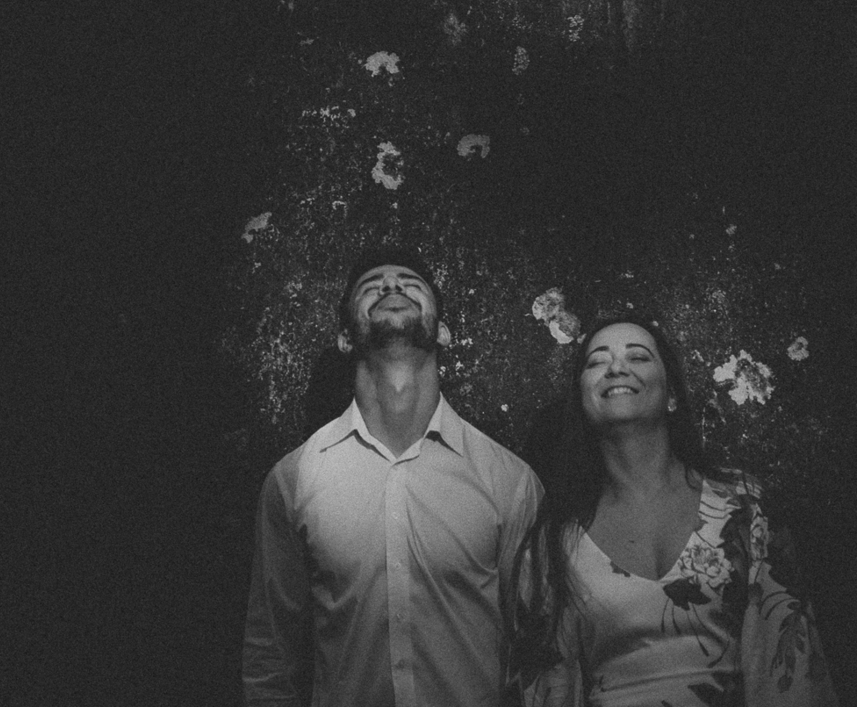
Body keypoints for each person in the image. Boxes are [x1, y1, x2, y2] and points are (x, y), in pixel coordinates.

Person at [243, 243, 542, 706]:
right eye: (372, 285)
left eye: (410, 282)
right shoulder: (293, 480)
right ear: (345, 338)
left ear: (443, 332)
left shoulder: (509, 480)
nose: (391, 284)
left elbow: (539, 652)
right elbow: (271, 659)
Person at [507, 314, 838, 705]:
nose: (616, 368)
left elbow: (790, 664)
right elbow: (549, 687)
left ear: (672, 396)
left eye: (638, 357)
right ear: (581, 401)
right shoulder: (554, 541)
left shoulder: (744, 506)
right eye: (597, 361)